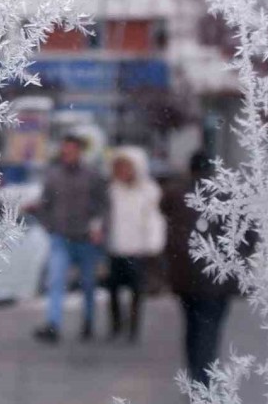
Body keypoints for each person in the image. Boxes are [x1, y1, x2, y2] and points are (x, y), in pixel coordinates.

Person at [161, 151, 241, 386]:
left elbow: (164, 212)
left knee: (192, 325)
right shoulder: (228, 196)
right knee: (211, 326)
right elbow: (248, 235)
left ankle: (196, 370)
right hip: (218, 276)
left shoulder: (176, 193)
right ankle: (204, 376)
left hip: (185, 274)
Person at [33, 134, 109, 343]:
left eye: (72, 150)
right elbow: (44, 205)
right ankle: (53, 325)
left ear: (79, 152)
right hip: (61, 237)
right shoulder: (54, 176)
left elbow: (104, 205)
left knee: (87, 284)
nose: (68, 154)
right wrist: (50, 227)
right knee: (56, 281)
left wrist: (99, 227)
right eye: (65, 151)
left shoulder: (92, 176)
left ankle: (88, 322)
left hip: (86, 239)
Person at [104, 146, 165, 342]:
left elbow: (154, 219)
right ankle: (116, 326)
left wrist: (153, 245)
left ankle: (133, 329)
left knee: (136, 292)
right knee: (112, 290)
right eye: (119, 167)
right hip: (115, 248)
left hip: (138, 249)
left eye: (126, 167)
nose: (123, 171)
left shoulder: (149, 190)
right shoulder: (112, 190)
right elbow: (105, 216)